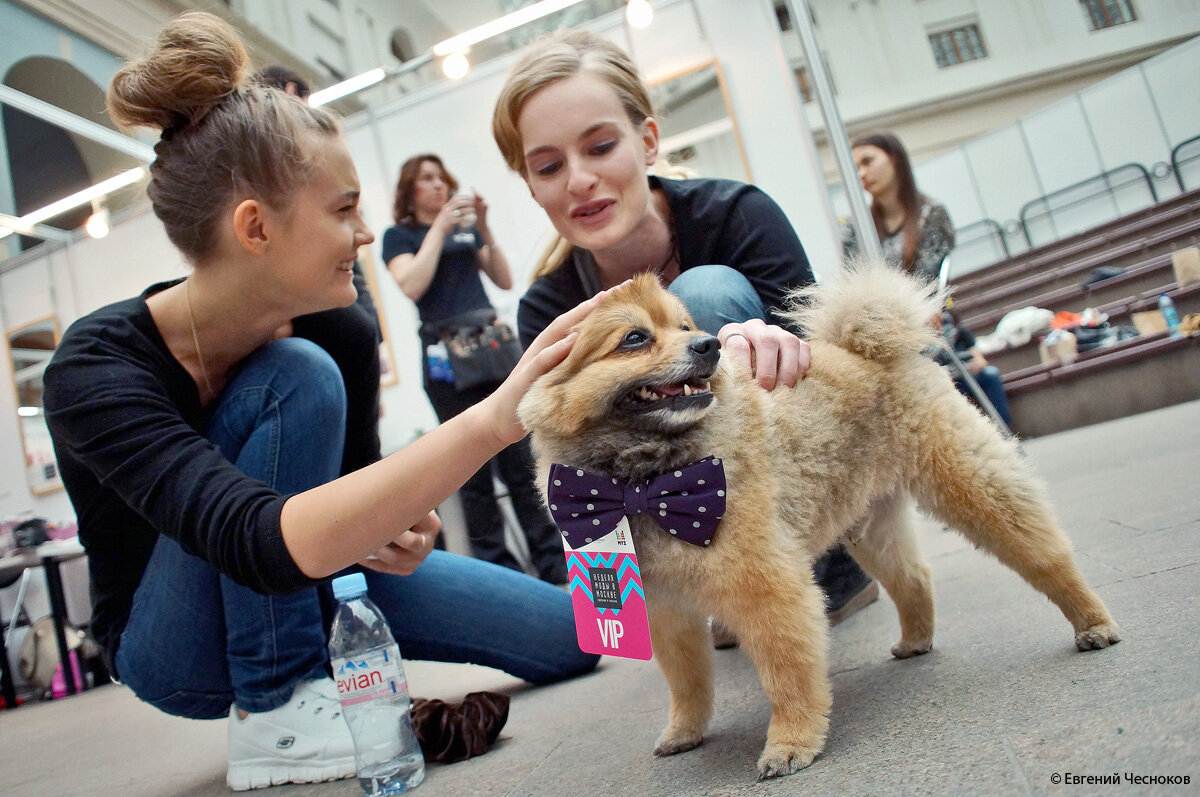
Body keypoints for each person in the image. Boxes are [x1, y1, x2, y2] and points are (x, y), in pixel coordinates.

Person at [41, 13, 600, 792]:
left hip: (305, 582)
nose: (366, 233)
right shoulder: (94, 369)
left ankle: (313, 677)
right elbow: (252, 537)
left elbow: (350, 494)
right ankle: (277, 708)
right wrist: (489, 421)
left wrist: (402, 525)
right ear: (255, 227)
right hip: (171, 643)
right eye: (343, 209)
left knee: (574, 637)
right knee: (292, 372)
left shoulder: (343, 329)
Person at [490, 29, 878, 632]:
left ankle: (823, 571)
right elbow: (566, 468)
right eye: (548, 165)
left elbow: (838, 379)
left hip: (794, 468)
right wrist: (614, 614)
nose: (578, 179)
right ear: (532, 184)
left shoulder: (739, 215)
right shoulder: (549, 307)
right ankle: (709, 594)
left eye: (599, 147)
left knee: (704, 295)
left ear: (647, 142)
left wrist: (781, 345)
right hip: (658, 515)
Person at [382, 154, 567, 584]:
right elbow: (411, 284)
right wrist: (439, 230)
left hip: (493, 348)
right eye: (426, 179)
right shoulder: (399, 235)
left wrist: (483, 228)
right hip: (446, 357)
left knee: (522, 458)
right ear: (410, 190)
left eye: (441, 177)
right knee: (471, 470)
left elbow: (503, 280)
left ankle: (551, 562)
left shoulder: (467, 231)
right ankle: (500, 568)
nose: (437, 185)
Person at [844, 131, 956, 283]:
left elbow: (928, 284)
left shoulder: (932, 214)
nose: (861, 173)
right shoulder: (854, 227)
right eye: (856, 168)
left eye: (867, 161)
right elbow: (850, 281)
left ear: (894, 158)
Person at [935, 308, 1014, 428]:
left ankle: (1002, 424)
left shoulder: (962, 332)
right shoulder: (931, 342)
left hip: (969, 377)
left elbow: (981, 361)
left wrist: (974, 365)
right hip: (948, 383)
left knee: (991, 374)